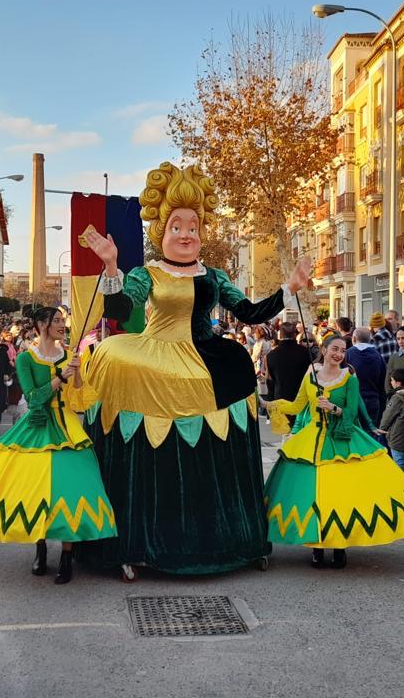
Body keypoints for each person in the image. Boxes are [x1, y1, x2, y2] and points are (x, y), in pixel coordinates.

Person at [78, 161, 310, 577]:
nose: (186, 235)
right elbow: (120, 312)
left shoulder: (214, 276)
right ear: (161, 232)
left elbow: (249, 312)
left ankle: (232, 537)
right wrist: (111, 265)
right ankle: (136, 540)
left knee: (239, 368)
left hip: (208, 360)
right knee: (112, 354)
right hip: (158, 354)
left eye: (193, 227)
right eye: (177, 227)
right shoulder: (146, 272)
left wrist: (288, 289)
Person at [0, 307, 116, 584]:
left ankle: (67, 556)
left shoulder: (70, 355)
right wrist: (60, 378)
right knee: (35, 492)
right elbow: (34, 398)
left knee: (72, 491)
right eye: (56, 321)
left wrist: (77, 372)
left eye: (62, 321)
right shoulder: (25, 359)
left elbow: (81, 398)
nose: (62, 325)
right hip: (36, 428)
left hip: (67, 428)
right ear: (41, 325)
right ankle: (40, 547)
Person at [263, 336, 404, 569]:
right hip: (312, 442)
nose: (338, 354)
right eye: (334, 349)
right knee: (314, 497)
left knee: (338, 497)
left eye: (343, 351)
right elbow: (296, 406)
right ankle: (317, 547)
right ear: (323, 350)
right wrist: (269, 405)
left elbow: (352, 411)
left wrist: (333, 408)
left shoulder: (349, 378)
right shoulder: (310, 375)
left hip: (342, 441)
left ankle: (339, 548)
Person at [265, 321, 313, 407]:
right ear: (294, 334)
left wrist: (270, 402)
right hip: (302, 397)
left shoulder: (271, 355)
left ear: (280, 335)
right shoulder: (305, 352)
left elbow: (270, 380)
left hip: (280, 398)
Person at [379, 368, 404, 476]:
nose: (390, 383)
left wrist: (382, 428)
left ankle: (402, 486)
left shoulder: (397, 397)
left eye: (392, 380)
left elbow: (388, 415)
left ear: (398, 382)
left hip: (397, 436)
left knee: (399, 463)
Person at [346, 327, 386, 424]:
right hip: (374, 400)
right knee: (371, 434)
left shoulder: (348, 354)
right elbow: (383, 380)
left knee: (356, 434)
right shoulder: (378, 355)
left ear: (354, 338)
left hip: (353, 400)